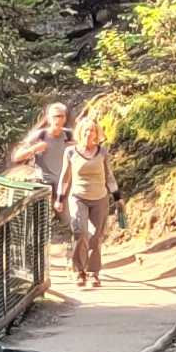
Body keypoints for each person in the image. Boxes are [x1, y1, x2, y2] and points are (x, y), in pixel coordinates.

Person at [62, 102, 117, 287]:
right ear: (80, 133)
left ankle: (94, 272)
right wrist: (60, 198)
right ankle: (79, 270)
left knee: (96, 236)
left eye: (92, 131)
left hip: (100, 197)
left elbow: (109, 175)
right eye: (85, 131)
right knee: (81, 233)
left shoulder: (102, 151)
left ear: (97, 133)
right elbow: (65, 177)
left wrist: (118, 197)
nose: (89, 134)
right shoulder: (70, 152)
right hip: (78, 197)